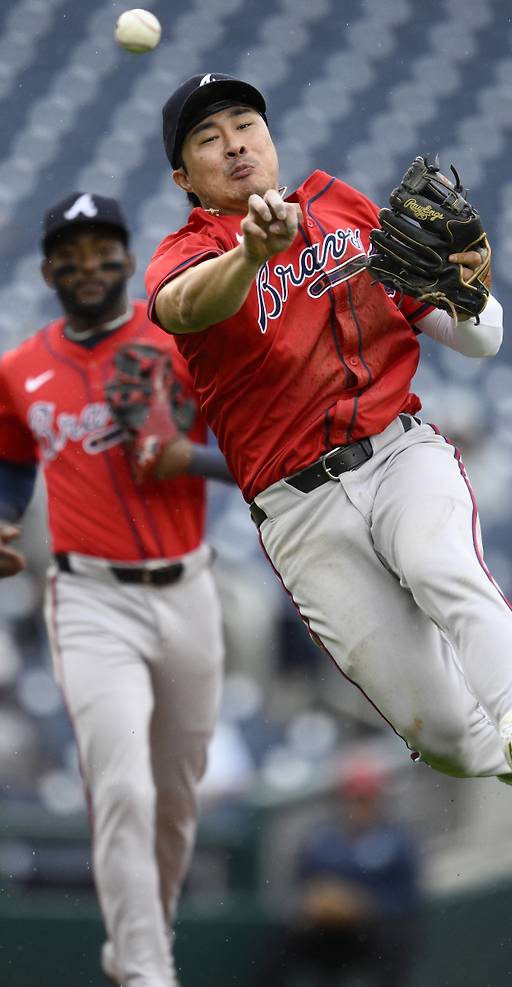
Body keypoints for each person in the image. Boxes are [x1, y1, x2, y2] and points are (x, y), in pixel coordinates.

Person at [144, 73, 512, 847]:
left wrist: (471, 291)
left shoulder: (344, 208)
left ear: (270, 136)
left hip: (397, 451)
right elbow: (188, 306)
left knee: (439, 562)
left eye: (245, 123)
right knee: (444, 734)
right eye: (208, 139)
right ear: (185, 178)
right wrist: (252, 251)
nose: (235, 143)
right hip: (299, 509)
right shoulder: (189, 254)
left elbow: (480, 341)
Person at [0, 192, 233, 987]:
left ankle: (141, 938)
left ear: (130, 262)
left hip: (190, 586)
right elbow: (11, 458)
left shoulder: (177, 334)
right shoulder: (20, 367)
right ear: (48, 270)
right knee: (122, 786)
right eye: (73, 253)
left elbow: (261, 451)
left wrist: (184, 455)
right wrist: (2, 516)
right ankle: (145, 971)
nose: (89, 266)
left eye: (105, 251)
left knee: (174, 799)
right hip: (91, 598)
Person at [253, 758, 420, 986]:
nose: (359, 806)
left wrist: (361, 905)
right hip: (329, 930)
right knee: (284, 939)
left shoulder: (397, 840)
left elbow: (408, 897)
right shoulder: (321, 838)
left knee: (395, 940)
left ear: (378, 799)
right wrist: (319, 902)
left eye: (365, 799)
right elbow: (302, 886)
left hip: (374, 929)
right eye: (353, 799)